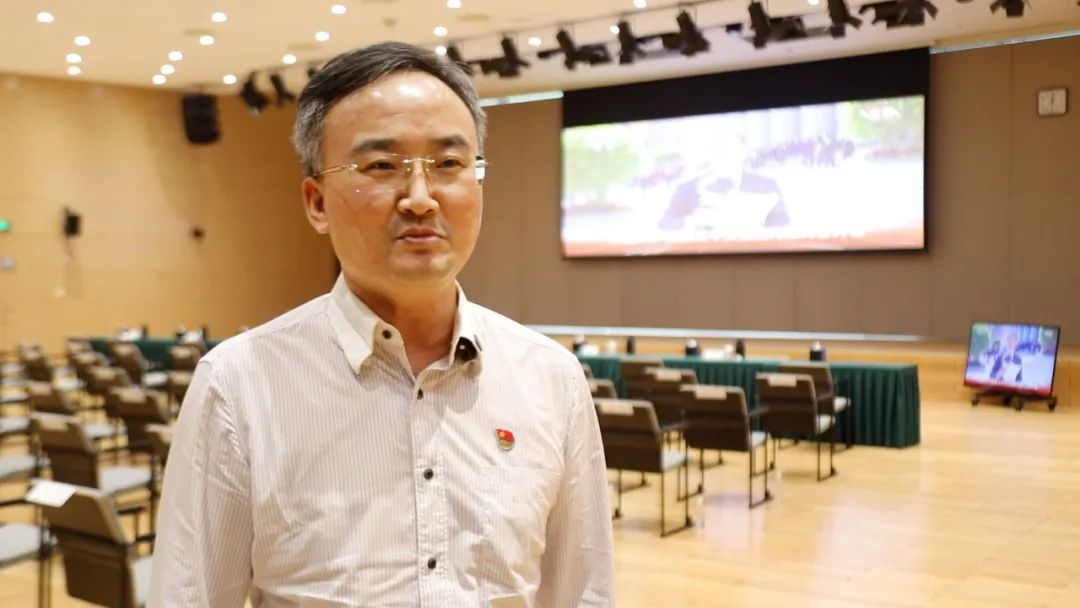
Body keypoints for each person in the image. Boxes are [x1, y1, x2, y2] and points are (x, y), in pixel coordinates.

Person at [149, 42, 614, 607]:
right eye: (381, 166)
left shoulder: (552, 379)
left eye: (448, 164)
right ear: (316, 202)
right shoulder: (237, 385)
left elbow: (582, 595)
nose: (420, 198)